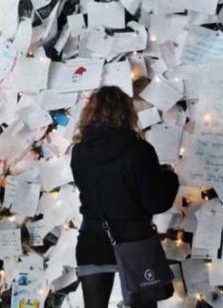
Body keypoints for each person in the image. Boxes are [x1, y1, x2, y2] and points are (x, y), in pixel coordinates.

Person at [71, 86, 179, 308]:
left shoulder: (79, 152)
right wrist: (169, 177)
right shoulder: (141, 151)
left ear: (91, 113)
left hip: (93, 239)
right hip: (135, 242)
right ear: (127, 113)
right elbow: (155, 202)